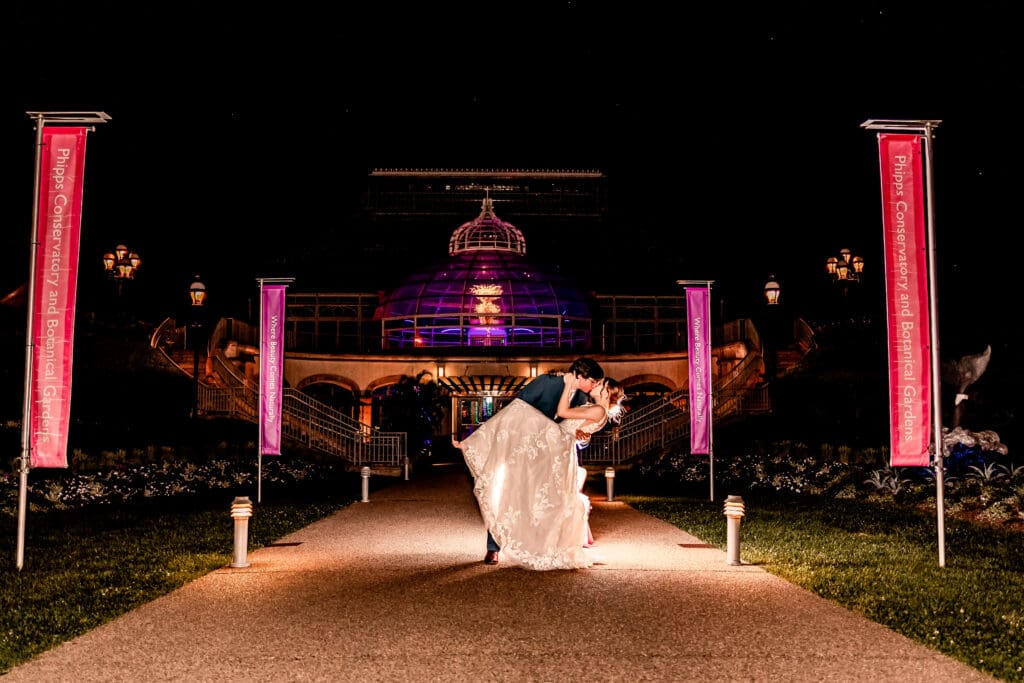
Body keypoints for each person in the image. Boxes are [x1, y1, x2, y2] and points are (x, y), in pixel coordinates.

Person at [454, 372, 626, 570]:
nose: (596, 384)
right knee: (538, 492)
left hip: (558, 445)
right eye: (595, 380)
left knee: (521, 413)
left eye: (600, 383)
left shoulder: (597, 409)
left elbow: (563, 413)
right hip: (558, 445)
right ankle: (477, 446)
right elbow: (580, 428)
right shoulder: (591, 405)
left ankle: (475, 445)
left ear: (606, 392)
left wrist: (569, 385)